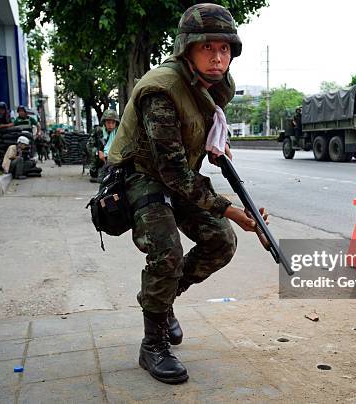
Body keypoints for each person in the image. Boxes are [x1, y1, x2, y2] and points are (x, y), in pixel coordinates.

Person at [108, 3, 269, 385]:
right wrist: (230, 209)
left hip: (179, 173)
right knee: (167, 252)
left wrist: (217, 144)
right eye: (207, 48)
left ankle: (160, 303)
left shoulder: (217, 85)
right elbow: (172, 171)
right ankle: (153, 345)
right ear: (187, 49)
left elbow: (199, 137)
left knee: (221, 242)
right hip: (142, 176)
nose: (218, 57)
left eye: (225, 49)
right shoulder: (161, 89)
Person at [95, 109, 119, 183]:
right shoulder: (98, 131)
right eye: (108, 123)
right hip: (100, 158)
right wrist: (98, 152)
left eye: (113, 123)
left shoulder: (119, 132)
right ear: (104, 123)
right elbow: (89, 146)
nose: (111, 125)